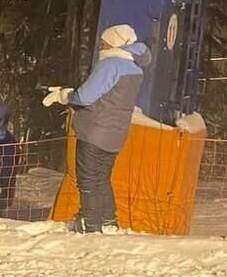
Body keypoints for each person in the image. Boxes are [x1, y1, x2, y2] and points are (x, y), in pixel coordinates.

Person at [43, 23, 150, 233]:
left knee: (88, 179)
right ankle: (109, 221)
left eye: (105, 42)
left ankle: (89, 223)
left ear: (116, 43)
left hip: (94, 131)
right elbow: (108, 97)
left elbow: (85, 96)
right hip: (116, 133)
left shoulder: (111, 65)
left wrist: (65, 96)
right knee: (102, 177)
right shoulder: (135, 69)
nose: (101, 45)